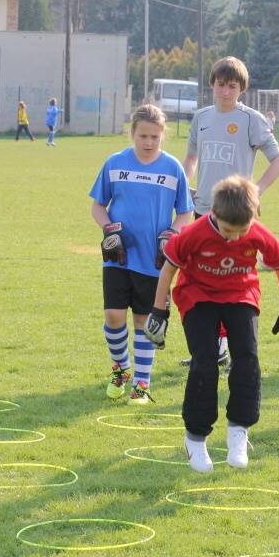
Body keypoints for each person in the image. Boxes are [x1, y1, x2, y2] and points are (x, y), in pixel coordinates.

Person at [144, 174, 279, 472]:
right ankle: (195, 437)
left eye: (241, 231)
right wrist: (158, 311)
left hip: (241, 294)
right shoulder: (194, 233)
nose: (235, 238)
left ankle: (239, 431)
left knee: (247, 358)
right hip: (198, 296)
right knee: (204, 361)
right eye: (229, 231)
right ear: (214, 215)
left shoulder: (256, 231)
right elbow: (168, 270)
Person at [182, 56, 279, 369]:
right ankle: (210, 347)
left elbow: (278, 162)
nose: (225, 91)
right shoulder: (200, 117)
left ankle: (228, 345)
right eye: (220, 84)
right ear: (211, 84)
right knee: (200, 282)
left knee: (231, 281)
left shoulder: (252, 119)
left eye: (232, 86)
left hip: (236, 218)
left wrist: (254, 192)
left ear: (241, 88)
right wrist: (184, 185)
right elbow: (190, 158)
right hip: (203, 213)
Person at [89, 104, 194, 405]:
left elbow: (185, 211)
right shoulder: (115, 163)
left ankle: (141, 383)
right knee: (113, 314)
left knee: (144, 320)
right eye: (143, 136)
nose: (149, 143)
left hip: (154, 260)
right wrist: (109, 228)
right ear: (131, 133)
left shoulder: (173, 167)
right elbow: (98, 205)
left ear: (163, 136)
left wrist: (172, 233)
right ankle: (120, 368)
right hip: (119, 256)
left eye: (155, 137)